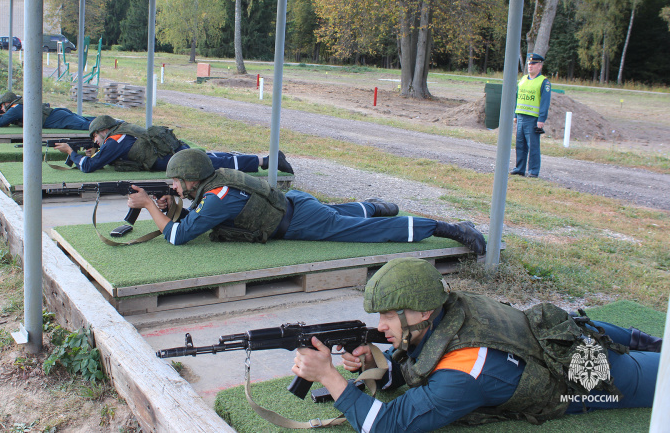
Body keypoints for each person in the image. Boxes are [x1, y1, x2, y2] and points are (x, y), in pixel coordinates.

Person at [292, 257, 661, 432]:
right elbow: (415, 364)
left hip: (583, 380)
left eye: (389, 315)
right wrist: (384, 370)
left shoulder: (464, 372)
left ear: (421, 312)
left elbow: (385, 425)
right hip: (566, 335)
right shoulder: (449, 308)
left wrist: (329, 377)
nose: (380, 326)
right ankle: (647, 340)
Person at [126, 148, 487, 253]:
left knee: (364, 232)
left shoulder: (216, 197)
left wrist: (146, 207)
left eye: (176, 182)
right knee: (340, 216)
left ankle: (450, 229)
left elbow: (177, 237)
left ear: (191, 178)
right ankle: (373, 204)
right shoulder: (214, 182)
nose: (174, 187)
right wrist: (168, 208)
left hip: (295, 220)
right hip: (294, 203)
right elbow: (194, 217)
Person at [55, 114, 295, 174]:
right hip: (168, 151)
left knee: (214, 164)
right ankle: (267, 159)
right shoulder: (120, 133)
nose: (95, 142)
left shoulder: (115, 139)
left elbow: (89, 167)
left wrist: (71, 154)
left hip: (168, 157)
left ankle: (270, 161)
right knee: (211, 157)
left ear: (103, 131)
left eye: (95, 137)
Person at [511, 53, 552, 178]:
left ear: (540, 66)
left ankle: (533, 171)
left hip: (533, 119)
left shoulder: (543, 82)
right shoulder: (522, 80)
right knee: (520, 144)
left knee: (533, 146)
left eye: (533, 64)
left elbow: (545, 102)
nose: (530, 66)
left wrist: (541, 119)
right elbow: (517, 98)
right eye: (529, 64)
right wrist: (515, 114)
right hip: (521, 117)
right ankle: (520, 169)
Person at [0, 92, 95, 130]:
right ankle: (111, 122)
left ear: (8, 103)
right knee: (86, 121)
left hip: (56, 118)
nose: (2, 109)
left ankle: (111, 124)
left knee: (86, 125)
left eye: (2, 106)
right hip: (57, 113)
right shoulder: (20, 105)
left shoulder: (16, 108)